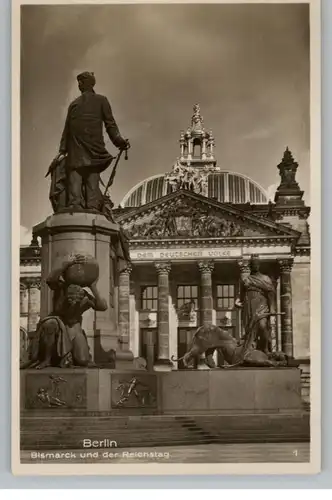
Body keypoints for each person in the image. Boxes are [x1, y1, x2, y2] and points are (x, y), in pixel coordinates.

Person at [58, 71, 130, 211]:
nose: (79, 84)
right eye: (78, 81)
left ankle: (81, 207)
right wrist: (119, 141)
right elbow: (67, 129)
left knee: (84, 181)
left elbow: (110, 125)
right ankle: (84, 207)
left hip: (85, 149)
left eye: (81, 81)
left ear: (89, 83)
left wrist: (63, 149)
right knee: (84, 181)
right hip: (86, 149)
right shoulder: (77, 104)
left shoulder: (95, 101)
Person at [26, 254, 107, 369]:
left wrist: (93, 286)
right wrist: (66, 264)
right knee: (50, 325)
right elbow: (50, 279)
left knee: (83, 360)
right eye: (70, 296)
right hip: (58, 322)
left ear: (81, 295)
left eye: (76, 297)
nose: (72, 299)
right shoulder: (60, 288)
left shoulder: (86, 298)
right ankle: (46, 360)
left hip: (74, 327)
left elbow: (102, 307)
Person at [235, 256, 276, 354]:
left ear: (259, 266)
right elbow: (241, 295)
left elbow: (271, 294)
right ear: (250, 266)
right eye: (253, 265)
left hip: (262, 304)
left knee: (262, 326)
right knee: (250, 329)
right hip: (248, 306)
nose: (255, 266)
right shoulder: (245, 279)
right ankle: (251, 350)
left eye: (256, 265)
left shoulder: (265, 278)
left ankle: (265, 348)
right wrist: (237, 302)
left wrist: (272, 308)